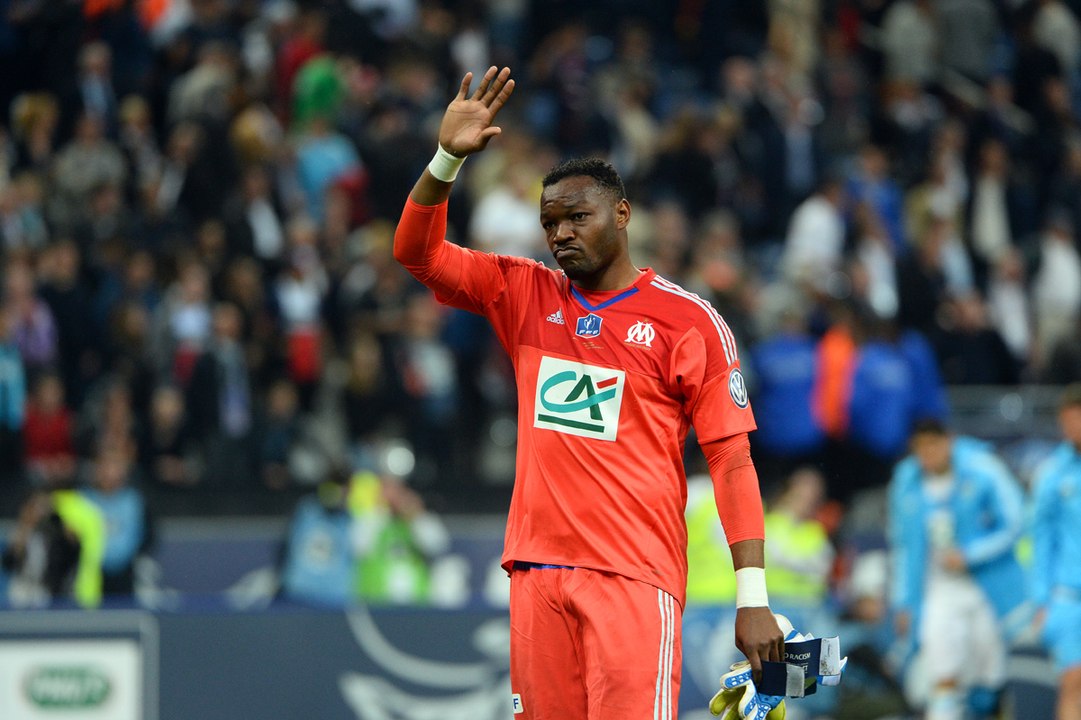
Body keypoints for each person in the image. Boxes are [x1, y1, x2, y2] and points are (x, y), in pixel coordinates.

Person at [393, 66, 783, 719]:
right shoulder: (522, 292)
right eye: (549, 222)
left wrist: (753, 597)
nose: (560, 234)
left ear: (622, 214)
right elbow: (417, 255)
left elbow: (731, 460)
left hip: (633, 577)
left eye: (577, 216)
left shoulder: (686, 323)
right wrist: (445, 159)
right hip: (536, 576)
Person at [887, 420, 1025, 720]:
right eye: (920, 449)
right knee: (942, 668)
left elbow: (1014, 521)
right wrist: (903, 600)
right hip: (937, 588)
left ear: (948, 441)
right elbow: (902, 544)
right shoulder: (907, 480)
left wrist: (971, 553)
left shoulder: (983, 468)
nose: (928, 455)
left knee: (988, 679)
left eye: (933, 446)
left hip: (985, 587)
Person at [1030, 383, 1081, 720]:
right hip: (1069, 597)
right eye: (1069, 420)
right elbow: (1037, 540)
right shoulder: (1052, 475)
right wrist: (1040, 601)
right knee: (1074, 681)